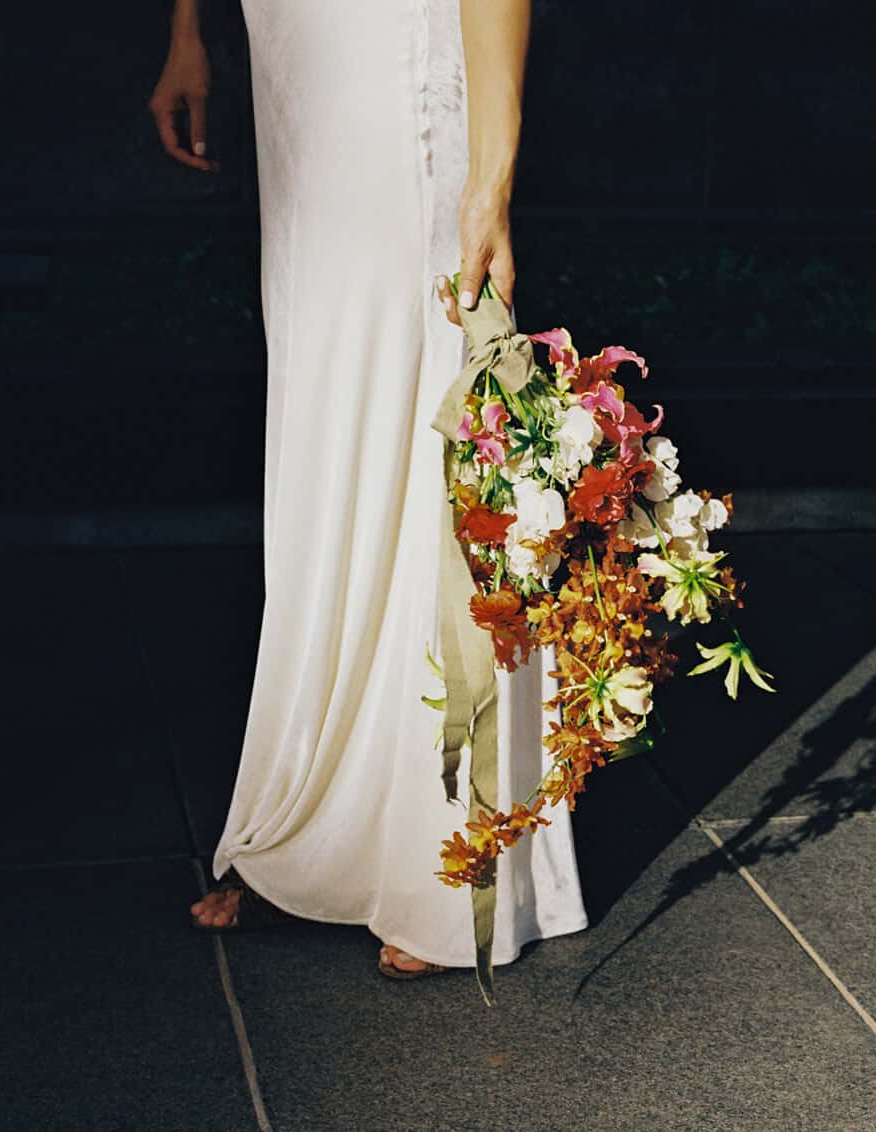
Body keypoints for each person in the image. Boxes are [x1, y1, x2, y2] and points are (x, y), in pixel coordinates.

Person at [149, 0, 588, 980]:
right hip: (296, 60)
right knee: (322, 422)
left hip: (395, 72)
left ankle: (448, 854)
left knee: (425, 409)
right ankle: (312, 824)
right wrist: (189, 25)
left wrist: (491, 179)